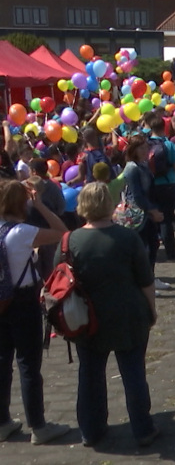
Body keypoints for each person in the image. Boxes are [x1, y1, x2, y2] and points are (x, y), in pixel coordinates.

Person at [61, 183, 158, 447]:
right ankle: (142, 429)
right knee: (134, 373)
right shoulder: (128, 238)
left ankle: (91, 430)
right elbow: (146, 281)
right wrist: (152, 310)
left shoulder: (71, 239)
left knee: (90, 375)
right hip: (128, 313)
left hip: (87, 317)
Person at [0, 179, 71, 444]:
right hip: (22, 301)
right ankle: (38, 426)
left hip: (0, 300)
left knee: (2, 361)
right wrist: (40, 205)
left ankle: (2, 421)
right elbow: (63, 231)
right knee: (28, 365)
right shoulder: (22, 232)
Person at [122, 136, 165, 279]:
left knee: (153, 245)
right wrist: (152, 211)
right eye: (141, 148)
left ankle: (150, 277)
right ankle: (143, 280)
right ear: (133, 150)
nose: (145, 150)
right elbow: (137, 195)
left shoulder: (144, 165)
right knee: (143, 248)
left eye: (146, 147)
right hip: (137, 214)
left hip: (148, 212)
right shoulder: (132, 168)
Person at [146, 116, 175, 261]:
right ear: (165, 127)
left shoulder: (144, 144)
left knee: (151, 218)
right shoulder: (169, 146)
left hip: (149, 185)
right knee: (166, 220)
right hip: (167, 185)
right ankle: (171, 253)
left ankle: (151, 250)